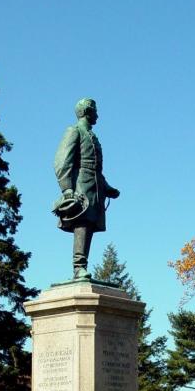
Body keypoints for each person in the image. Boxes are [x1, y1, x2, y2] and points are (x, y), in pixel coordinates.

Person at [53, 98, 120, 279]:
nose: (97, 114)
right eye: (95, 110)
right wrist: (67, 189)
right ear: (87, 112)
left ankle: (81, 265)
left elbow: (95, 166)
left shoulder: (92, 136)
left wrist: (107, 188)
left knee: (89, 225)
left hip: (95, 186)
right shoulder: (74, 131)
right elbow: (62, 161)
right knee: (82, 223)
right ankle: (78, 266)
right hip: (81, 186)